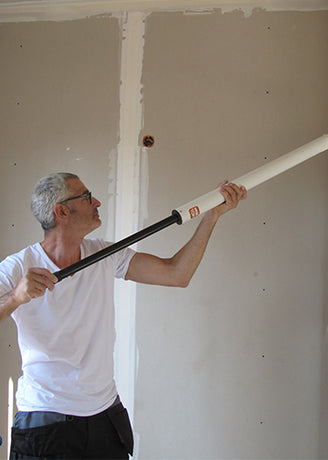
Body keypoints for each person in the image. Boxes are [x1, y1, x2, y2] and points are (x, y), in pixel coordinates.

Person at [0, 172, 247, 459]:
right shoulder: (17, 267)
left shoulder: (105, 254)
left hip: (105, 416)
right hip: (46, 421)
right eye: (87, 197)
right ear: (62, 212)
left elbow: (177, 273)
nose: (97, 202)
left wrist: (211, 216)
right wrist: (16, 297)